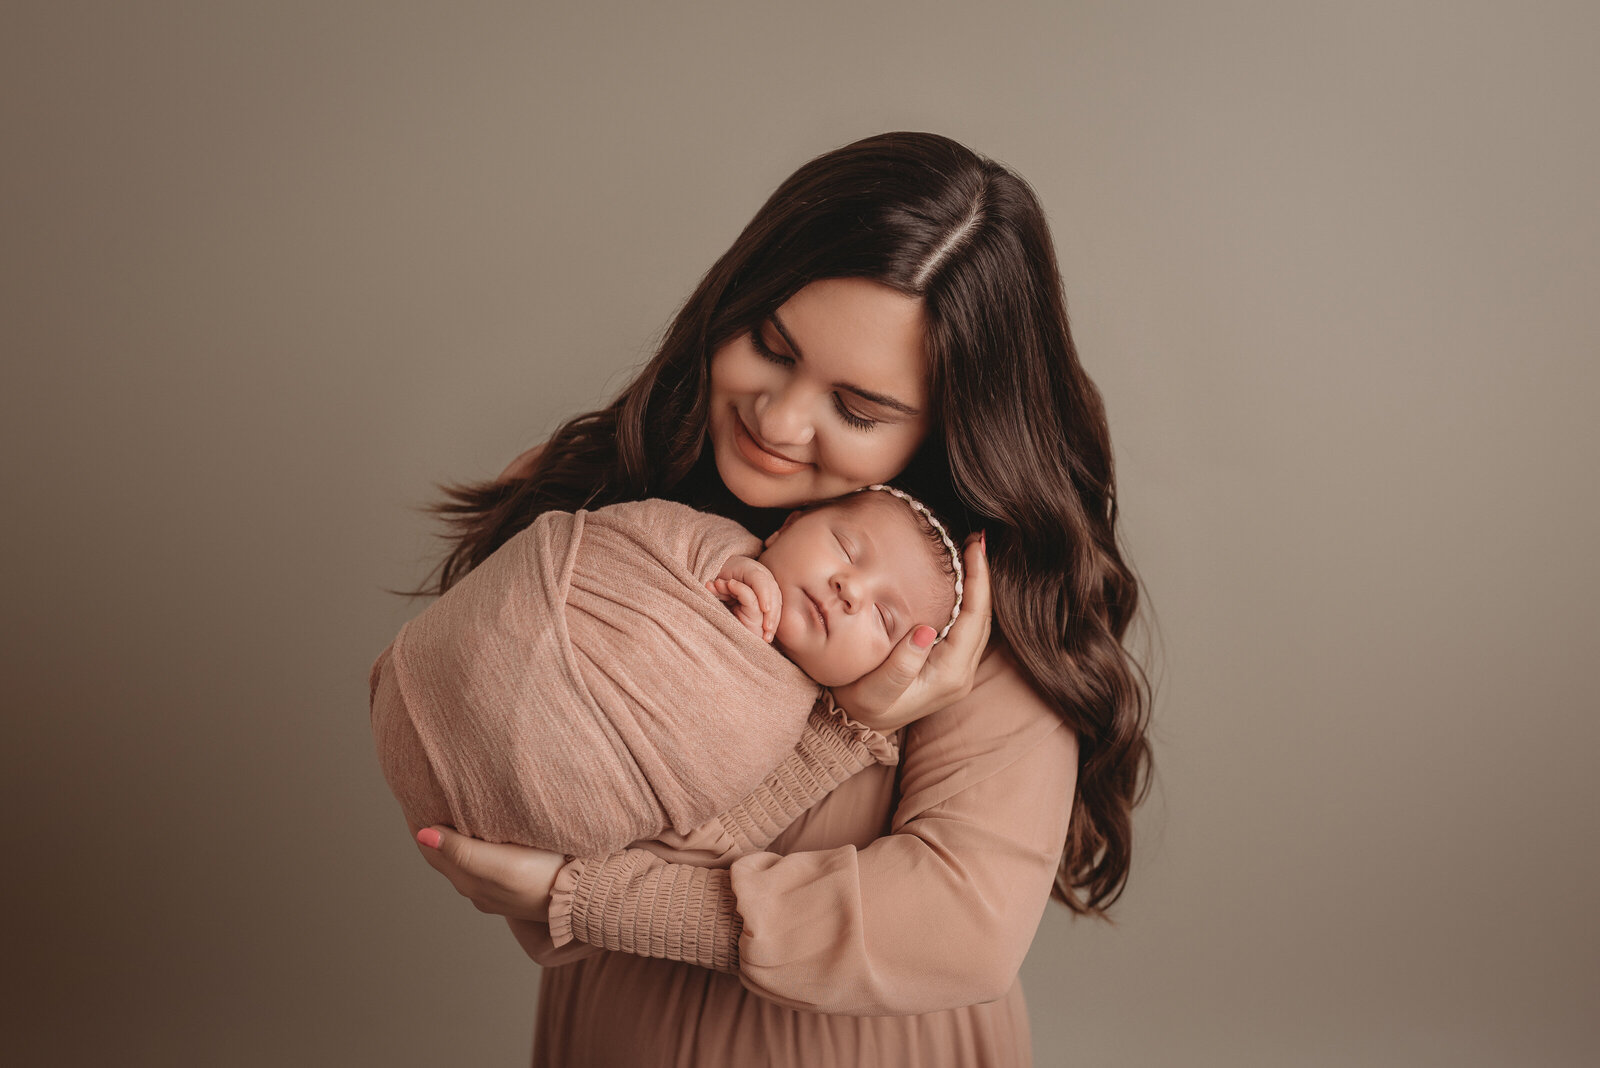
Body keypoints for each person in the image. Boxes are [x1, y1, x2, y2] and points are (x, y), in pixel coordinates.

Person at [404, 131, 1152, 1066]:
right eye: (769, 344)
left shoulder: (967, 613)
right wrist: (837, 733)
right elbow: (521, 843)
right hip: (621, 1039)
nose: (778, 419)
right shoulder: (591, 507)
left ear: (954, 420)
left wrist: (592, 897)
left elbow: (959, 927)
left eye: (859, 409)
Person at [371, 485, 962, 858]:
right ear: (788, 523)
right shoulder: (702, 536)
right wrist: (725, 571)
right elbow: (614, 539)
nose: (850, 589)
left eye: (885, 620)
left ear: (895, 664)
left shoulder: (793, 729)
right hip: (438, 682)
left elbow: (692, 844)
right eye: (845, 548)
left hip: (528, 819)